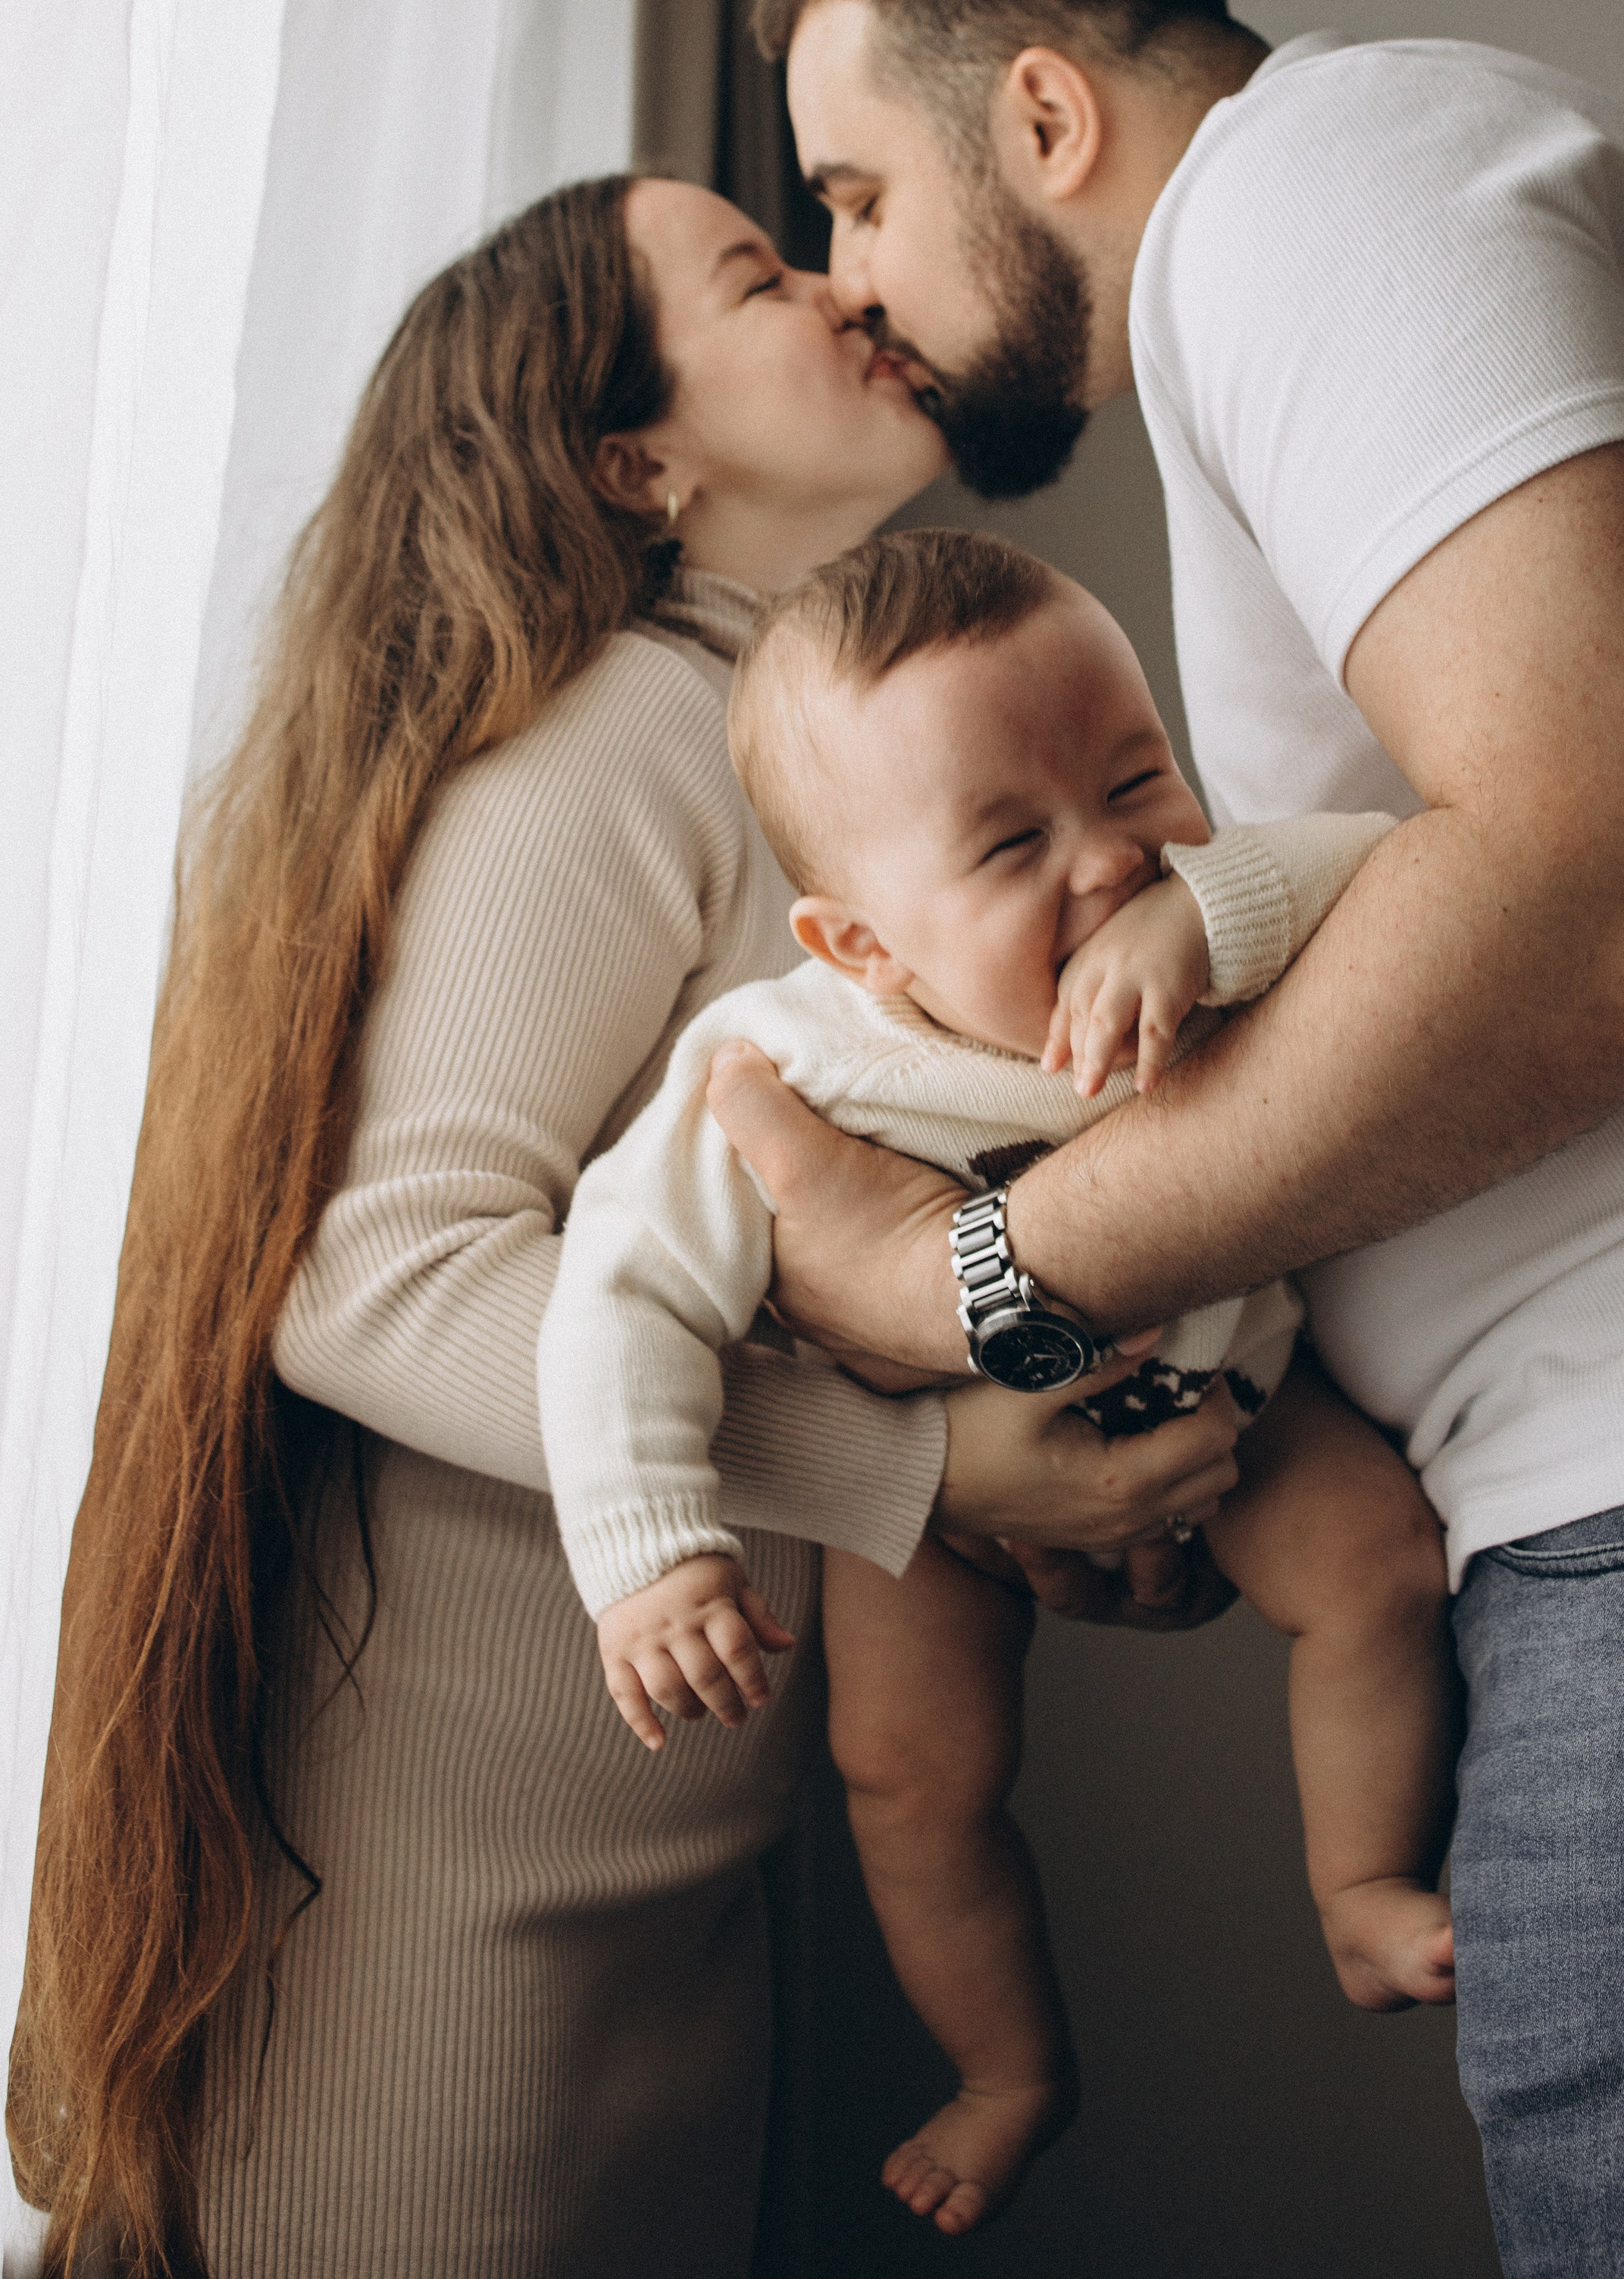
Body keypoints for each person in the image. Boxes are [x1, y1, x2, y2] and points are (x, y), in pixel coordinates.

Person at [699, 0, 1624, 2277]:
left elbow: (1623, 872)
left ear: (1042, 116)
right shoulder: (1312, 249)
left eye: (852, 192)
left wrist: (982, 1279)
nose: (851, 284)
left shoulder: (1315, 185)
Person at [10, 175, 1243, 2279]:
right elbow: (368, 1270)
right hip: (435, 1886)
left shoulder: (794, 760)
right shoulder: (620, 733)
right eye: (765, 273)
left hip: (655, 1859)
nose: (855, 285)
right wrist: (922, 1466)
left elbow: (795, 1265)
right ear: (634, 459)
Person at [539, 527, 1457, 2235]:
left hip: (1232, 1416)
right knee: (910, 1773)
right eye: (1012, 842)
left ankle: (1357, 1881)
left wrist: (1210, 904)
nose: (1108, 859)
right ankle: (1008, 2067)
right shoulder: (787, 1057)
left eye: (1134, 777)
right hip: (919, 1478)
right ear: (862, 942)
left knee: (1378, 1561)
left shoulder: (1194, 909)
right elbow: (619, 1294)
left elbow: (1394, 866)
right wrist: (653, 1546)